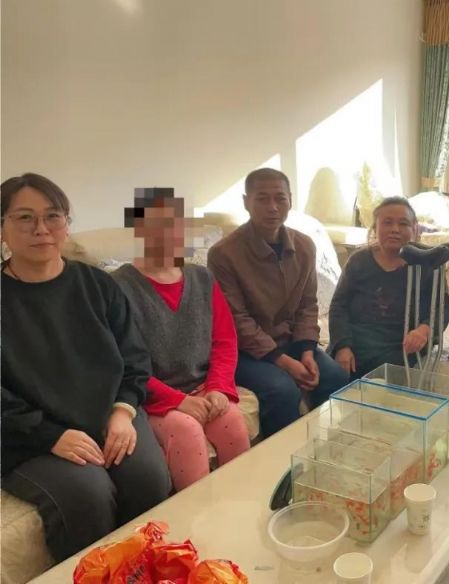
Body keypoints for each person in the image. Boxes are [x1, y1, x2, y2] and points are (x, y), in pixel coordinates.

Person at [0, 174, 171, 561]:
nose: (41, 229)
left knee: (148, 479)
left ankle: (145, 569)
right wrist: (49, 435)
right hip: (26, 433)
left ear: (66, 223)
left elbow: (135, 358)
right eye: (24, 217)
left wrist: (123, 413)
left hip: (109, 415)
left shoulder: (98, 284)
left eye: (53, 216)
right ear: (2, 228)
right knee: (87, 494)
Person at [113, 188, 250, 492]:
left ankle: (240, 503)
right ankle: (195, 516)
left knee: (232, 421)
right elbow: (123, 364)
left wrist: (218, 388)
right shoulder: (118, 287)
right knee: (186, 431)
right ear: (139, 229)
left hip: (203, 387)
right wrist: (178, 401)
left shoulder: (203, 278)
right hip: (151, 399)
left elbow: (224, 341)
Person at [207, 168, 349, 437]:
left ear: (290, 201)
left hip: (293, 342)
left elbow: (308, 305)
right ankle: (285, 458)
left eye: (280, 198)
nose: (272, 207)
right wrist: (283, 362)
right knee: (282, 389)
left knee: (335, 376)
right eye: (262, 199)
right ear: (246, 202)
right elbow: (237, 320)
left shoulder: (304, 245)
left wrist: (307, 352)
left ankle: (325, 446)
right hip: (246, 352)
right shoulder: (224, 254)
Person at [328, 197, 449, 378]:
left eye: (403, 224)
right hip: (356, 340)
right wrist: (342, 346)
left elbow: (442, 308)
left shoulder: (428, 261)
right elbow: (338, 305)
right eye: (387, 222)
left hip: (400, 345)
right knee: (328, 377)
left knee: (384, 381)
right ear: (375, 228)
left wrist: (423, 330)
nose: (395, 229)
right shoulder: (359, 260)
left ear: (415, 229)